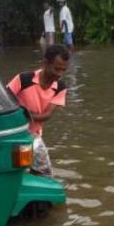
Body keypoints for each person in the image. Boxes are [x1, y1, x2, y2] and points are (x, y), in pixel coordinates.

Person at [7, 45, 70, 176]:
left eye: (63, 70)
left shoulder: (60, 87)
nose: (59, 74)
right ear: (46, 63)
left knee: (43, 174)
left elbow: (46, 115)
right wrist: (20, 115)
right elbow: (3, 99)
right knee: (20, 172)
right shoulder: (24, 79)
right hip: (14, 133)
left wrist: (24, 113)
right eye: (56, 69)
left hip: (33, 135)